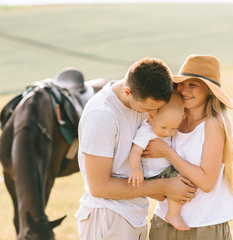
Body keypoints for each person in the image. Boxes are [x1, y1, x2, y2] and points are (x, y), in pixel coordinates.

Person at [75, 57, 196, 240]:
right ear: (127, 91)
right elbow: (99, 187)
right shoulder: (102, 115)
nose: (152, 114)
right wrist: (164, 185)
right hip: (108, 218)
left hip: (134, 216)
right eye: (147, 108)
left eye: (157, 109)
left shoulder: (142, 100)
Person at [146, 55, 233, 240]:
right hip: (163, 222)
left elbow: (207, 182)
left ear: (209, 90)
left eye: (193, 85)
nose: (184, 90)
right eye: (181, 84)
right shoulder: (172, 119)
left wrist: (167, 152)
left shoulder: (213, 124)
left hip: (203, 225)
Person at [128, 92, 190, 231]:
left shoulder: (165, 125)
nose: (167, 132)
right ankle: (173, 214)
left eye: (173, 128)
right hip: (155, 174)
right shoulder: (146, 132)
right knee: (179, 179)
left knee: (183, 177)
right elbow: (135, 152)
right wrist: (136, 169)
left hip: (164, 171)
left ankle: (173, 211)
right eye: (164, 127)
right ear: (151, 116)